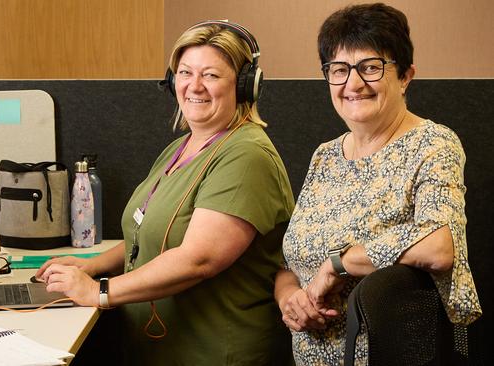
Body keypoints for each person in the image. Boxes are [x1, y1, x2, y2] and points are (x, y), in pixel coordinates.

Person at [37, 20, 295, 365]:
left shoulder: (246, 156)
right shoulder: (180, 147)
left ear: (246, 86)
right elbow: (145, 232)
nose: (195, 86)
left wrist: (98, 291)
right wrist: (90, 265)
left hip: (216, 353)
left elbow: (198, 259)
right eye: (185, 72)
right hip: (161, 348)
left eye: (212, 76)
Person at [273, 3, 482, 365]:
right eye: (339, 70)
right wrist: (289, 298)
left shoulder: (432, 144)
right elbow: (291, 261)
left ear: (405, 76)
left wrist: (336, 265)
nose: (353, 83)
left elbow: (438, 246)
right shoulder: (325, 156)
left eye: (370, 67)